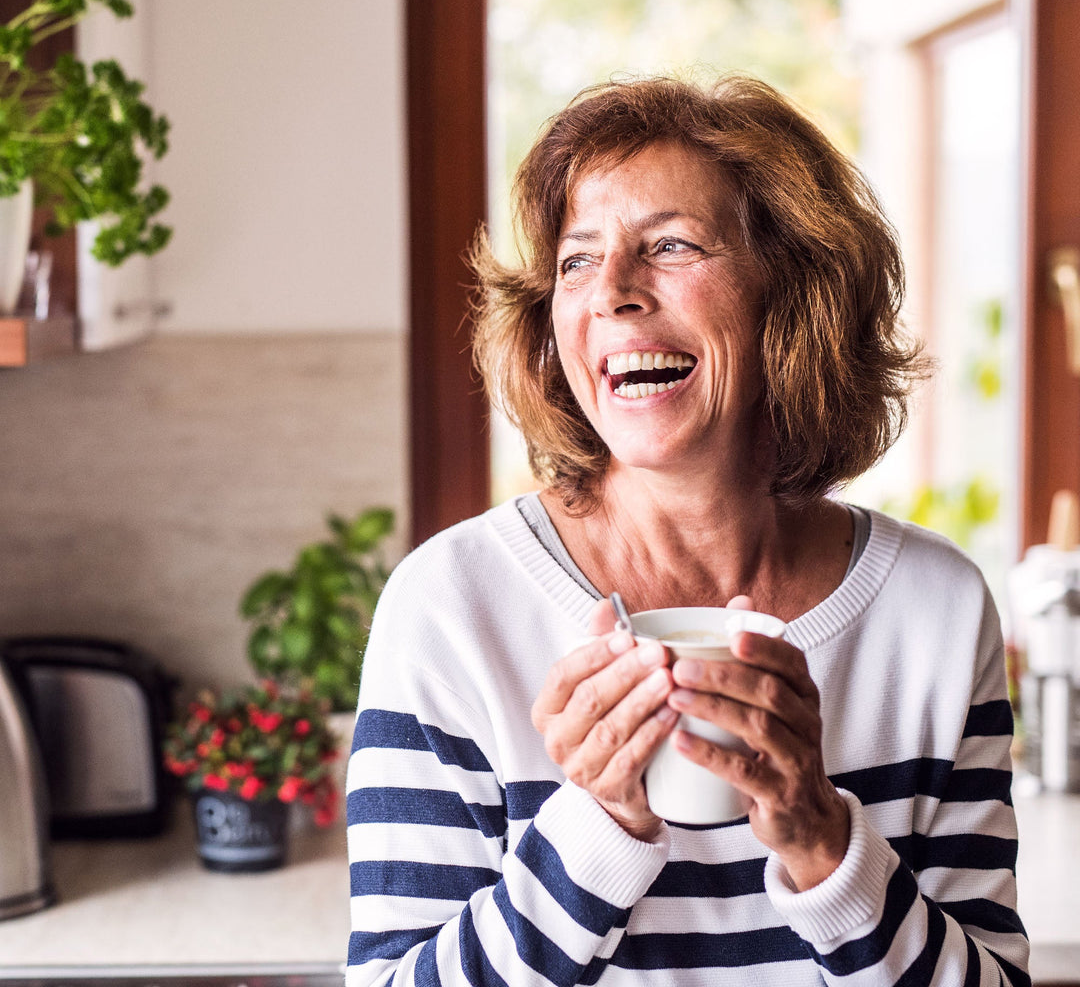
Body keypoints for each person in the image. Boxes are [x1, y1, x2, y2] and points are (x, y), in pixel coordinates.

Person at [344, 76, 1029, 986]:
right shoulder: (450, 609)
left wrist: (825, 844)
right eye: (577, 260)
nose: (614, 293)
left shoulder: (934, 611)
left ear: (792, 296)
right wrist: (597, 827)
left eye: (670, 245)